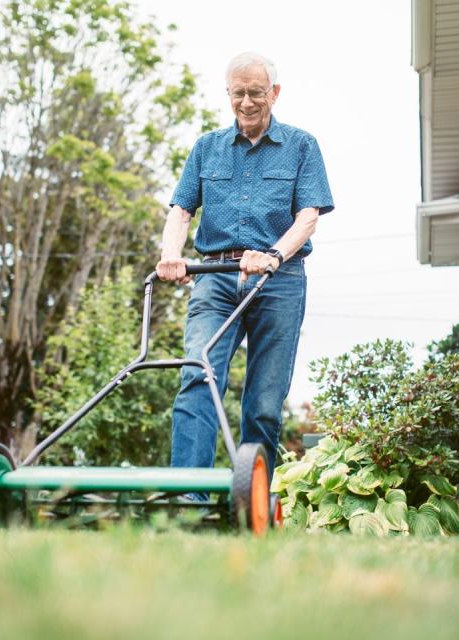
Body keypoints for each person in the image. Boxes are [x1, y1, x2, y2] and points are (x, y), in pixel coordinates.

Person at [155, 51, 334, 479]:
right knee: (198, 377)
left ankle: (251, 505)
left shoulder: (301, 145)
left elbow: (308, 217)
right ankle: (188, 502)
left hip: (279, 281)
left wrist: (272, 254)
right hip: (214, 278)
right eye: (239, 93)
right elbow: (181, 211)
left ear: (274, 93)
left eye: (256, 92)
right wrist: (170, 255)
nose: (247, 102)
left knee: (264, 405)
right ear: (228, 94)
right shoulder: (207, 148)